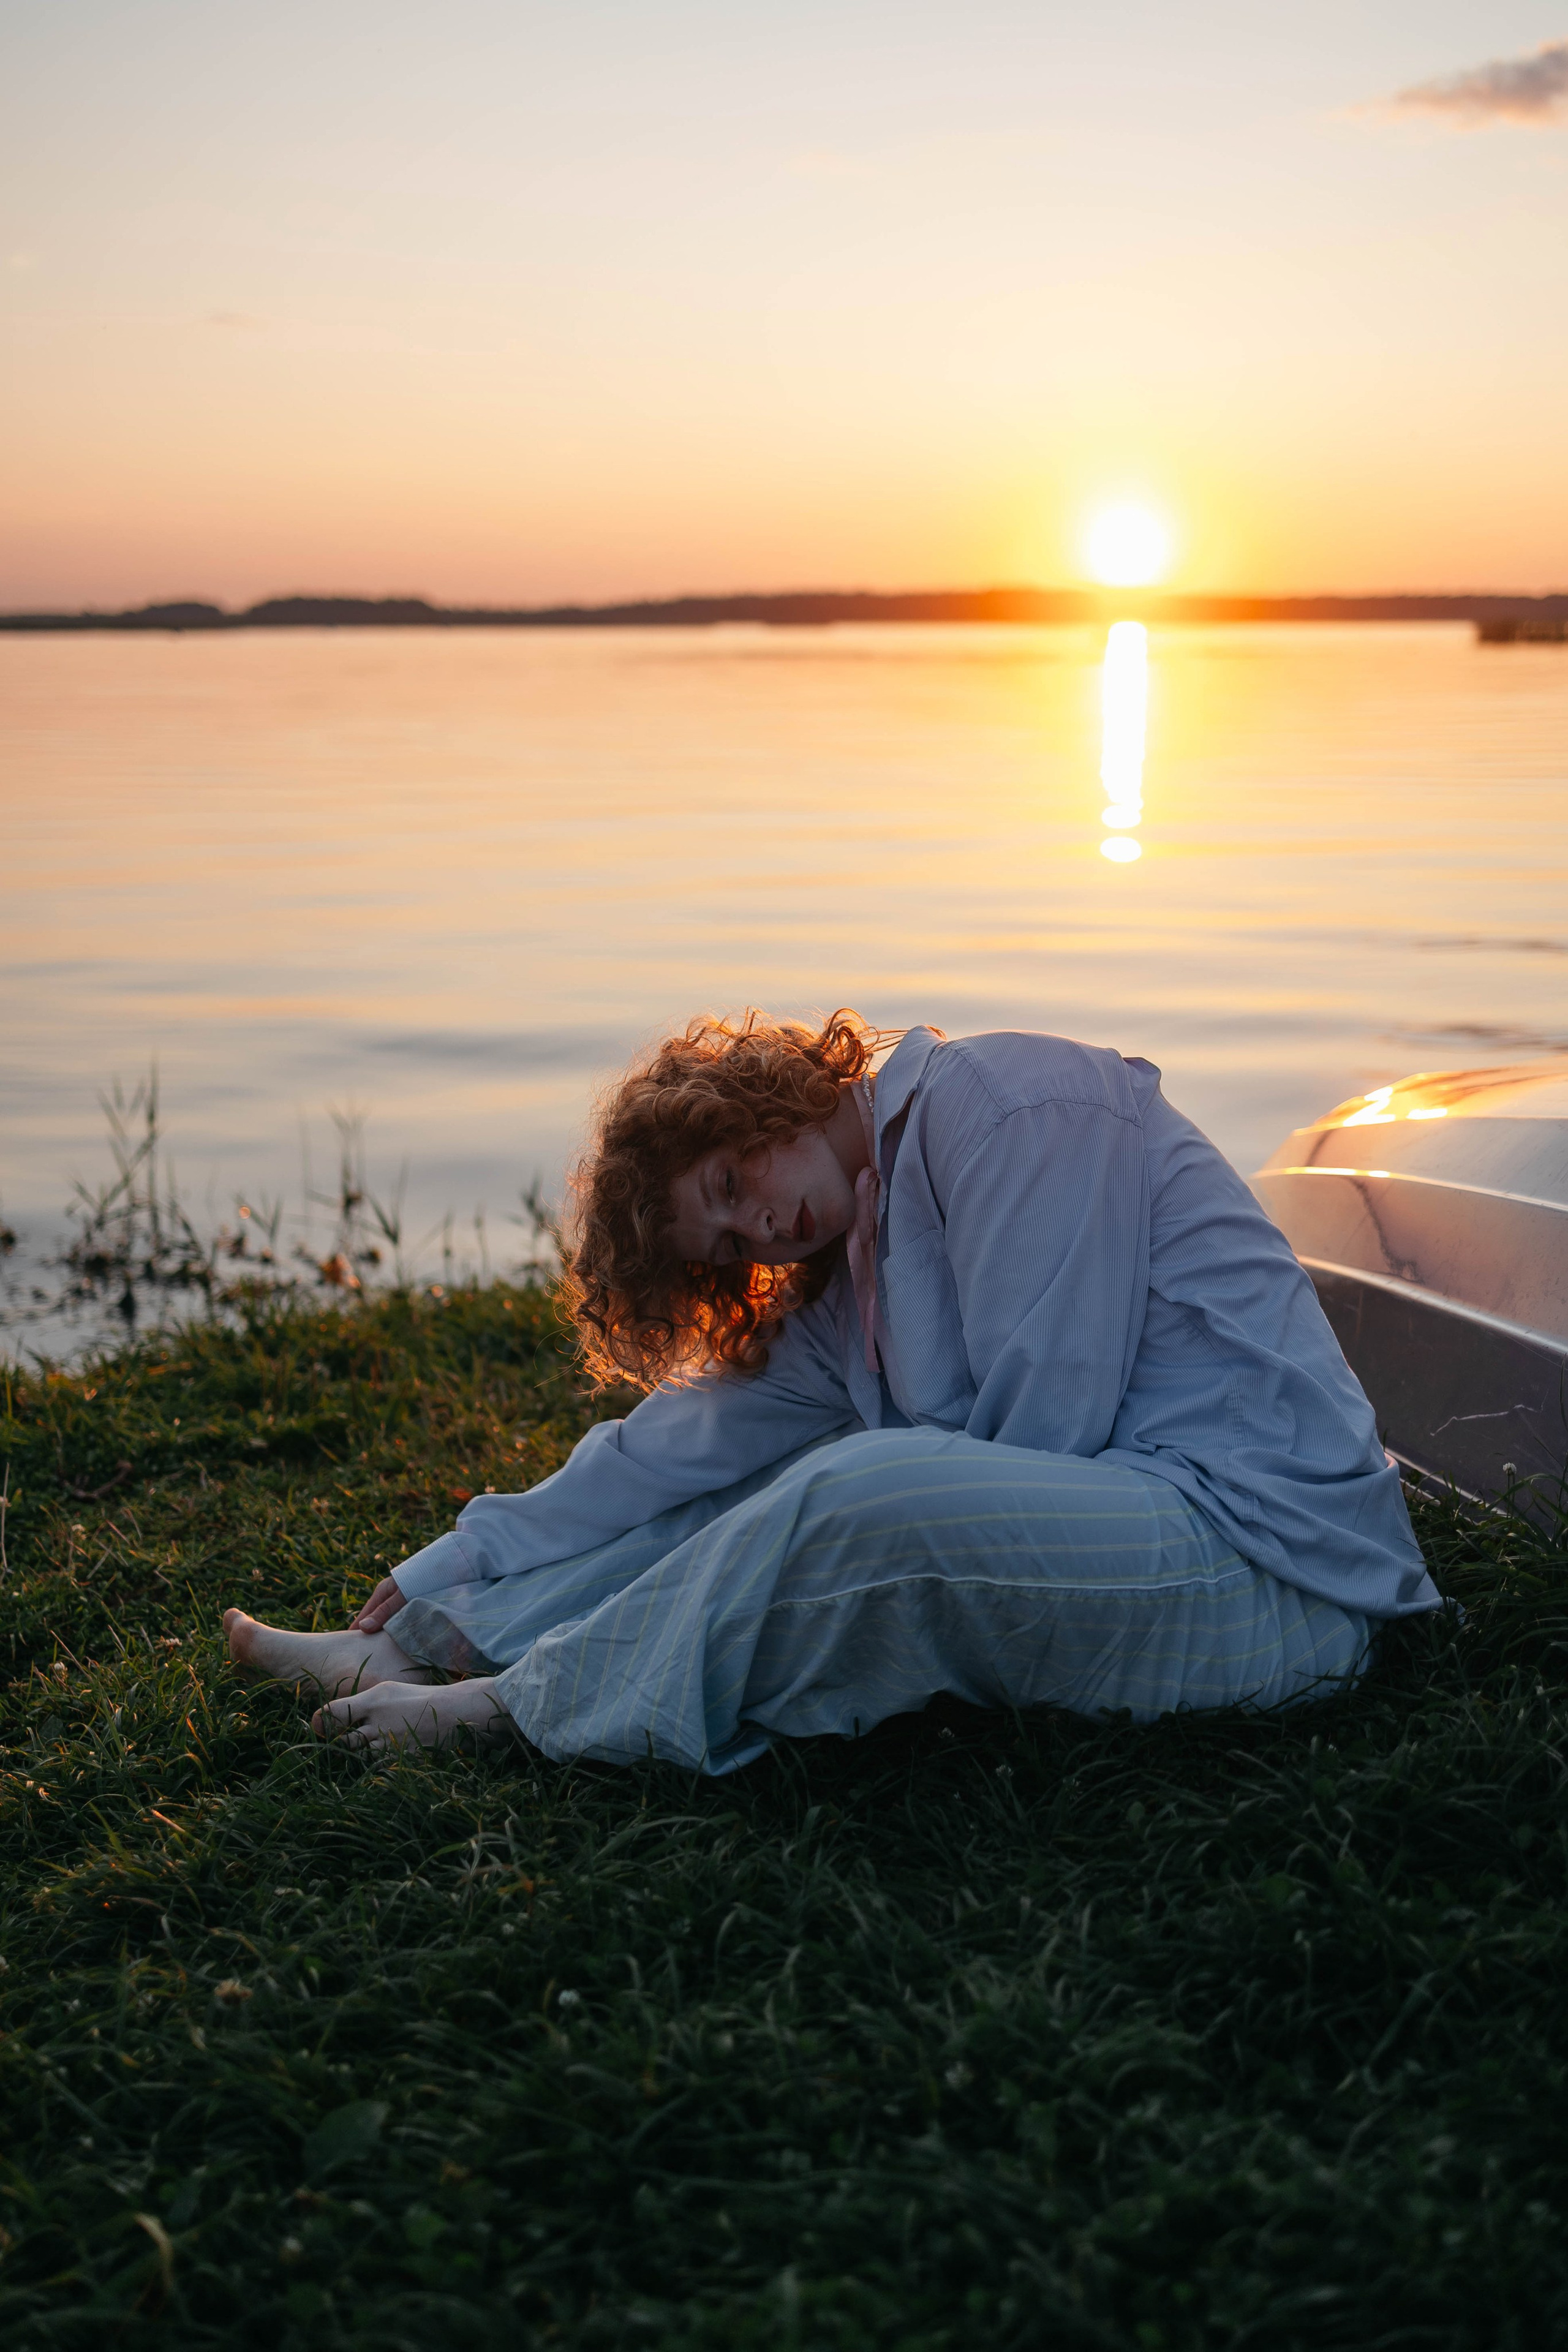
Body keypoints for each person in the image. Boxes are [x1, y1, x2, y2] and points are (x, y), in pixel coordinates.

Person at [225, 1011, 1439, 1766]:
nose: (759, 1229)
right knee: (769, 1471)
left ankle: (513, 1710)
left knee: (858, 1484)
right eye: (726, 1244)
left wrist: (857, 1475)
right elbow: (679, 1444)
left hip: (1269, 1577)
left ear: (754, 1105)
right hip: (1136, 1550)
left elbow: (1047, 1432)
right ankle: (413, 1649)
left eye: (729, 1185)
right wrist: (456, 1557)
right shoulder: (851, 1274)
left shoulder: (1005, 1107)